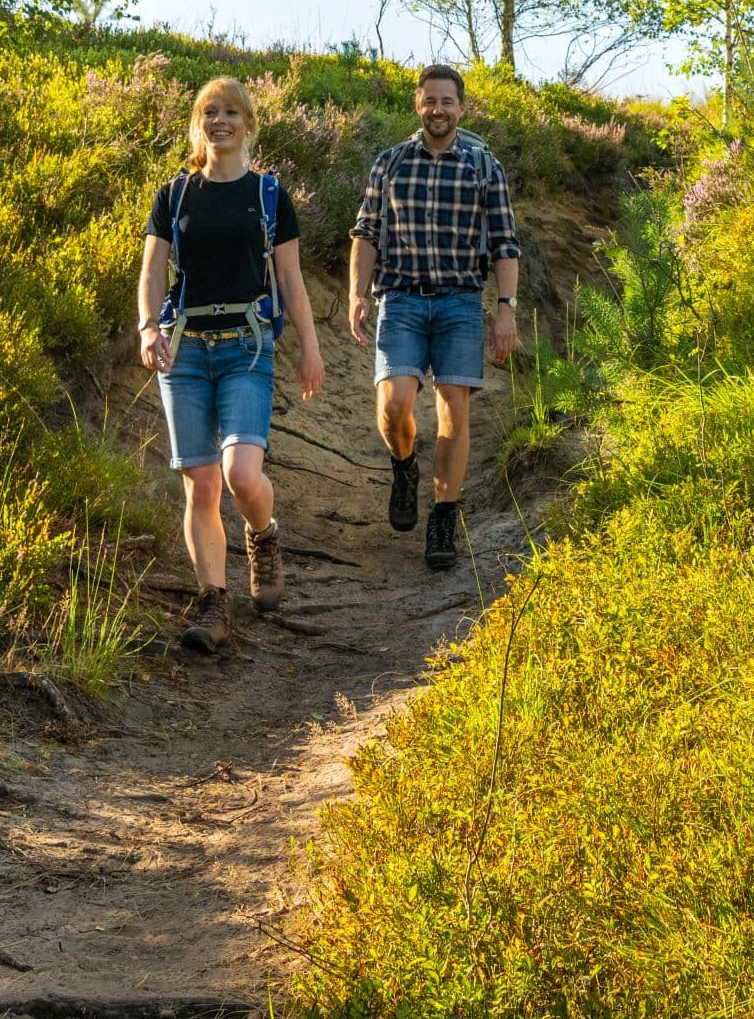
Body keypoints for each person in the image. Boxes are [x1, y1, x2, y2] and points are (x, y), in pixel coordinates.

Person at [138, 77, 325, 652]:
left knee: (242, 475)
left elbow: (290, 278)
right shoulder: (175, 194)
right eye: (209, 112)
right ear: (199, 124)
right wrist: (148, 327)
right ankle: (215, 604)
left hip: (247, 345)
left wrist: (309, 348)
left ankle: (264, 535)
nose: (220, 121)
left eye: (231, 113)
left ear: (248, 123)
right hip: (185, 348)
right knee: (200, 485)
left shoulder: (268, 194)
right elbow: (151, 273)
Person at [348, 64, 520, 571]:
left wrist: (505, 309)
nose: (438, 110)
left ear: (461, 108)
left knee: (453, 412)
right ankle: (404, 467)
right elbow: (366, 233)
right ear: (418, 105)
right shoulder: (391, 163)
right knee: (394, 404)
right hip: (399, 300)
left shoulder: (483, 165)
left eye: (448, 102)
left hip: (459, 303)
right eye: (430, 101)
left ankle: (443, 517)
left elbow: (505, 243)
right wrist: (358, 294)